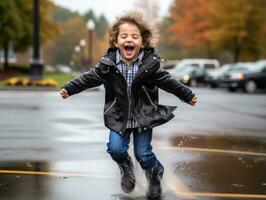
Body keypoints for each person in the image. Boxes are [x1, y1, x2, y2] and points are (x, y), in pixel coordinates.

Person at [60, 11, 197, 199]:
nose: (129, 40)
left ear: (142, 42)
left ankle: (155, 175)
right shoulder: (108, 64)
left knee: (143, 154)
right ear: (116, 42)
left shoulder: (150, 65)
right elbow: (90, 77)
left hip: (143, 116)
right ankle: (126, 168)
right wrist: (70, 88)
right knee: (115, 149)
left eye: (134, 36)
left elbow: (167, 81)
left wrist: (186, 94)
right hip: (119, 116)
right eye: (124, 36)